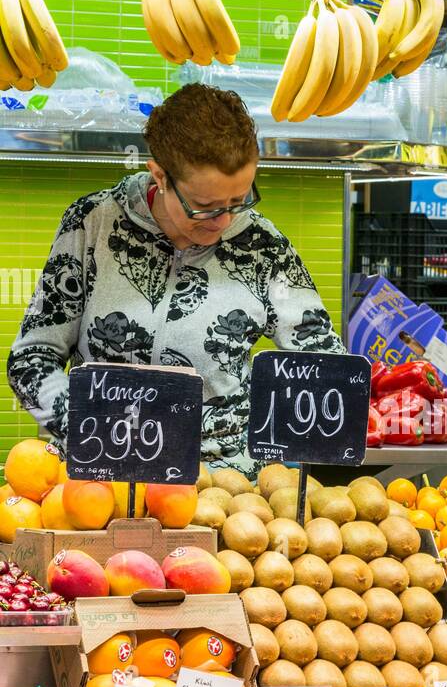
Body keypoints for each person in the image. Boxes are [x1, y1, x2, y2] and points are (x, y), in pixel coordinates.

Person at [7, 84, 343, 472]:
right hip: (102, 479)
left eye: (239, 200)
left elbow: (322, 364)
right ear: (159, 175)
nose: (224, 221)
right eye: (204, 206)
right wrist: (87, 428)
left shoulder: (263, 246)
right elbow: (32, 358)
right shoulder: (92, 224)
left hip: (226, 491)